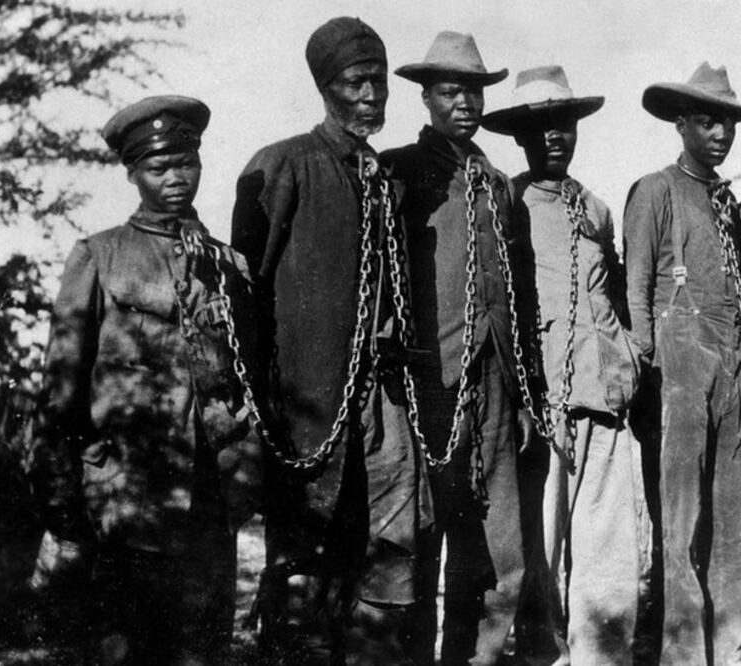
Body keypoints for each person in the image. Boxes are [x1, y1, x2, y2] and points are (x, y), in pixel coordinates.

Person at [29, 95, 262, 665]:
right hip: (126, 496)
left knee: (202, 647)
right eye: (158, 168)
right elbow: (61, 384)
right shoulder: (100, 256)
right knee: (124, 647)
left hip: (209, 498)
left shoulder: (229, 266)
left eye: (185, 163)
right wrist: (62, 495)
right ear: (133, 173)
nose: (175, 178)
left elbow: (249, 379)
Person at [230, 17, 430, 664]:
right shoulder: (283, 166)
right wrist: (261, 404)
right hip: (310, 403)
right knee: (305, 563)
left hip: (386, 404)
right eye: (356, 82)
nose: (372, 95)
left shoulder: (390, 180)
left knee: (394, 550)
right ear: (325, 87)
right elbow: (245, 294)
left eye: (379, 82)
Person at [381, 31, 542, 666]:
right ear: (425, 98)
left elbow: (519, 293)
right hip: (429, 387)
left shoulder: (499, 183)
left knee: (499, 548)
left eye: (474, 90)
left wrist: (525, 393)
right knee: (422, 539)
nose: (466, 102)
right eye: (451, 90)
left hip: (496, 384)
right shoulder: (398, 171)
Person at [482, 65, 650, 664]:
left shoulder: (597, 210)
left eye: (565, 126)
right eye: (542, 127)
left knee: (607, 558)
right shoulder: (507, 203)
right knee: (538, 554)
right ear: (523, 137)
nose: (556, 137)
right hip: (540, 406)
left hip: (602, 404)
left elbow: (619, 296)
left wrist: (628, 359)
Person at [623, 62, 741, 665]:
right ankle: (683, 655)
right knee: (680, 528)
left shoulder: (727, 199)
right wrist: (648, 376)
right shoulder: (654, 190)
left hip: (733, 366)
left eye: (727, 123)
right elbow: (635, 292)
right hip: (677, 370)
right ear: (680, 125)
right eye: (707, 122)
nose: (720, 135)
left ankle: (733, 650)